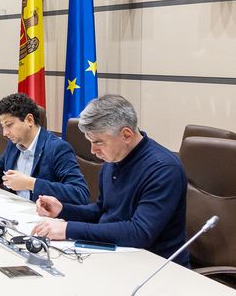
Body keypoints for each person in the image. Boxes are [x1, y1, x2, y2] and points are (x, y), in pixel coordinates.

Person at [32, 95, 188, 261]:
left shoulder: (163, 169)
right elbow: (103, 211)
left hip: (156, 263)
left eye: (98, 142)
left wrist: (67, 229)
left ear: (126, 135)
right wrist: (63, 210)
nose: (93, 151)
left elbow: (140, 232)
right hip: (117, 254)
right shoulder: (114, 159)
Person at [0, 92, 88, 204]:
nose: (5, 133)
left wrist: (31, 184)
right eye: (3, 127)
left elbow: (79, 193)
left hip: (42, 218)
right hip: (14, 211)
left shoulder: (57, 148)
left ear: (29, 120)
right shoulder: (14, 144)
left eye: (9, 125)